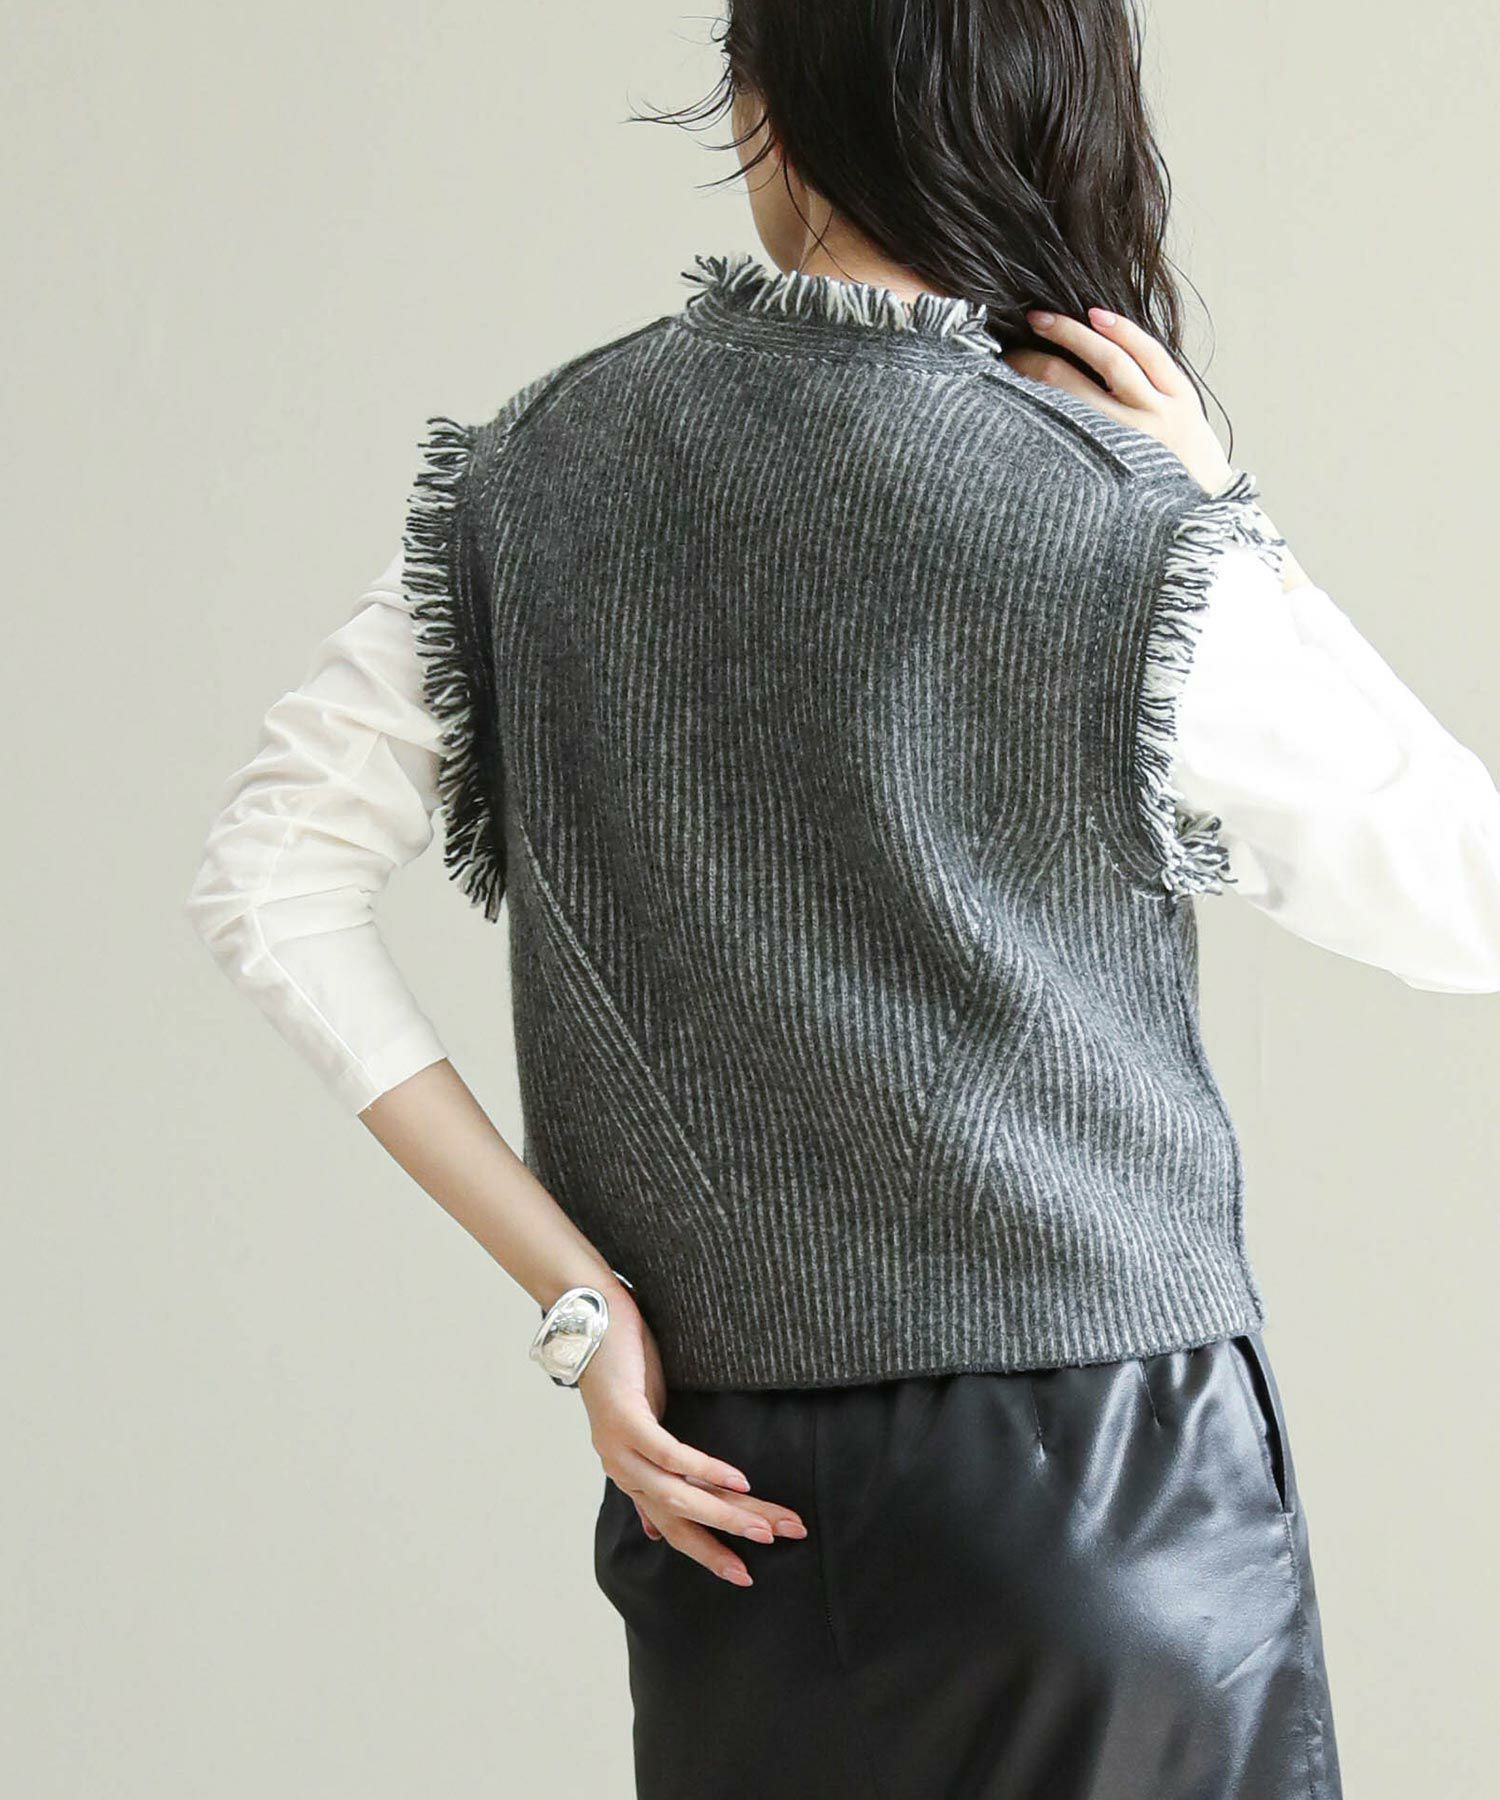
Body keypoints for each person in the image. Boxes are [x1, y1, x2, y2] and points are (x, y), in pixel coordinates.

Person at [184, 4, 1500, 1795]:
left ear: (766, 109)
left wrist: (580, 1300)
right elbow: (1465, 903)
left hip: (729, 1501)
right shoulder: (1104, 503)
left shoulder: (537, 472)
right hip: (1101, 1489)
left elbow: (269, 881)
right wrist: (1227, 519)